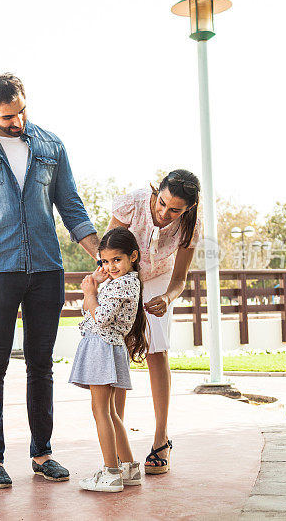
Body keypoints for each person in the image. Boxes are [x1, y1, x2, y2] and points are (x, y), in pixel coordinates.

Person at [0, 73, 99, 489]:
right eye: (7, 116)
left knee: (41, 365)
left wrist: (102, 256)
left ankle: (42, 452)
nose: (17, 122)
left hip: (46, 272)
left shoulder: (51, 146)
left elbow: (72, 208)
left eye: (21, 112)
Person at [108, 169, 202, 474]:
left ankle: (161, 439)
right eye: (161, 203)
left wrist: (168, 298)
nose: (164, 213)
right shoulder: (131, 205)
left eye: (174, 209)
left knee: (156, 352)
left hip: (160, 280)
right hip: (124, 276)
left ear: (188, 208)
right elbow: (107, 255)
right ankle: (118, 446)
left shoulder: (191, 225)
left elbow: (179, 279)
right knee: (119, 353)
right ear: (156, 191)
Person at [68, 227, 147, 492]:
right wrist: (96, 284)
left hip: (103, 347)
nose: (110, 266)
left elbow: (99, 316)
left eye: (117, 260)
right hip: (106, 347)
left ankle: (111, 472)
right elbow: (89, 312)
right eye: (105, 261)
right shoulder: (122, 281)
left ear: (132, 256)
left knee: (100, 411)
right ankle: (129, 468)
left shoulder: (124, 283)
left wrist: (90, 292)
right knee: (111, 412)